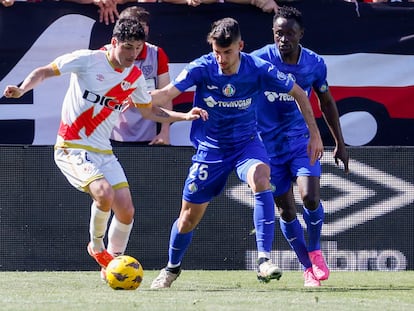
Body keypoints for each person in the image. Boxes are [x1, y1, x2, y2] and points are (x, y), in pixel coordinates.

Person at [3, 17, 207, 279]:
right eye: (128, 47)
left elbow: (149, 111)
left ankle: (113, 264)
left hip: (103, 151)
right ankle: (97, 248)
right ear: (114, 43)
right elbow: (43, 71)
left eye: (137, 48)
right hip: (71, 146)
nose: (133, 55)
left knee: (126, 210)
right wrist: (21, 90)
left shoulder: (134, 76)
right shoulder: (88, 60)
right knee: (103, 194)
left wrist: (183, 116)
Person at [149, 17, 323, 289]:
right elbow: (164, 94)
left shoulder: (257, 68)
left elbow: (299, 92)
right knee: (187, 219)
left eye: (227, 52)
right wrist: (136, 97)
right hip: (211, 149)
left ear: (240, 46)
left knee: (261, 177)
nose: (221, 59)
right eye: (217, 52)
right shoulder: (202, 67)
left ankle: (263, 259)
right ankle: (171, 269)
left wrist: (314, 133)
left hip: (246, 145)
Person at [251, 6, 349, 287]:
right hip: (268, 148)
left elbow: (326, 102)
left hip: (301, 142)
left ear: (301, 34)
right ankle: (308, 268)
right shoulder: (258, 61)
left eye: (290, 33)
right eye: (279, 33)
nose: (284, 39)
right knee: (287, 210)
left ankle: (316, 251)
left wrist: (339, 142)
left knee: (310, 198)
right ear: (273, 33)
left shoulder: (314, 64)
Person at [108, 6, 173, 145]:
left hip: (148, 137)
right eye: (136, 26)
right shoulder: (106, 53)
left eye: (143, 26)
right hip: (112, 135)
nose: (140, 31)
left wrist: (165, 132)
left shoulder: (156, 54)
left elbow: (166, 96)